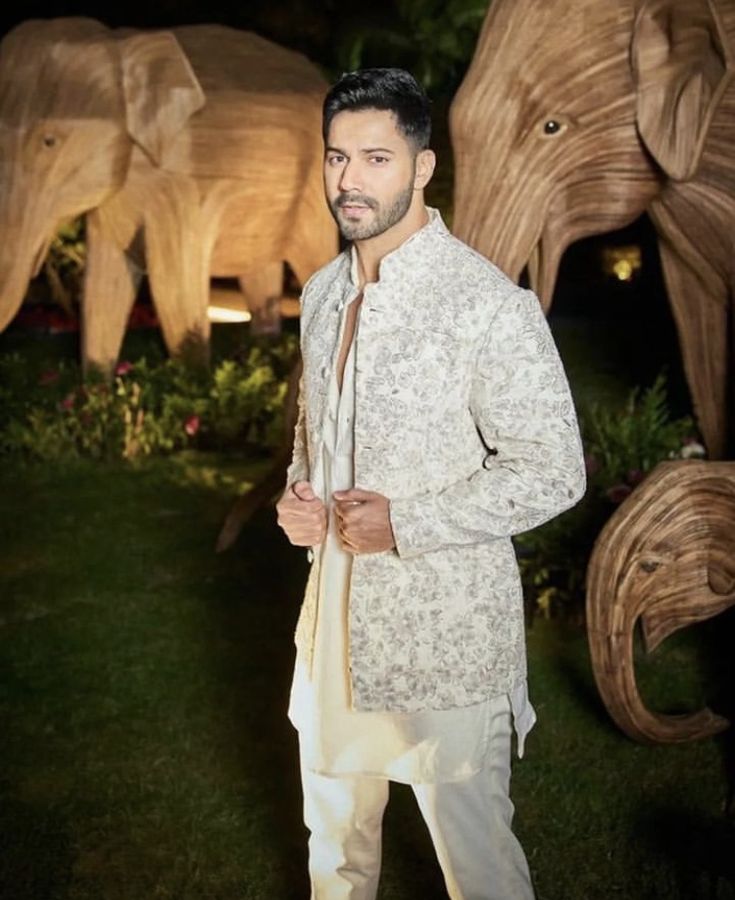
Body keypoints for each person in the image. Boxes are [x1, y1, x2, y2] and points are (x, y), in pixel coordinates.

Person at [276, 67, 586, 900]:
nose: (349, 180)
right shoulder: (321, 293)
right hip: (332, 628)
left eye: (376, 159)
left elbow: (553, 469)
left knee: (476, 867)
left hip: (443, 636)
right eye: (337, 157)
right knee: (334, 852)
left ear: (422, 168)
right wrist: (299, 498)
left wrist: (405, 522)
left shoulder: (485, 304)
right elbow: (314, 438)